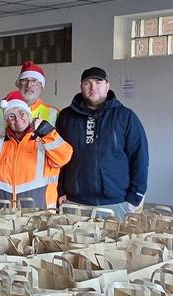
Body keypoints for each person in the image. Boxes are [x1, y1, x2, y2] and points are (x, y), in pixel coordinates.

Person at [55, 66, 149, 216]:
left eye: (98, 83)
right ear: (81, 87)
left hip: (116, 204)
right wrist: (60, 191)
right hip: (74, 202)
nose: (93, 87)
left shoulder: (125, 117)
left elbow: (140, 158)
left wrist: (134, 198)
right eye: (88, 83)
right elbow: (58, 157)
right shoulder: (66, 117)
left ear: (107, 86)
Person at [0, 90, 72, 208]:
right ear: (7, 120)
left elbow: (64, 157)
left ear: (28, 115)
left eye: (21, 113)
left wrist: (47, 132)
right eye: (11, 116)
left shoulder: (44, 141)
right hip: (4, 214)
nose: (17, 119)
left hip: (40, 215)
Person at [0, 61, 58, 140]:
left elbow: (61, 146)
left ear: (42, 86)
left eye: (34, 81)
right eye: (24, 80)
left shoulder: (55, 114)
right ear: (19, 85)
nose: (29, 85)